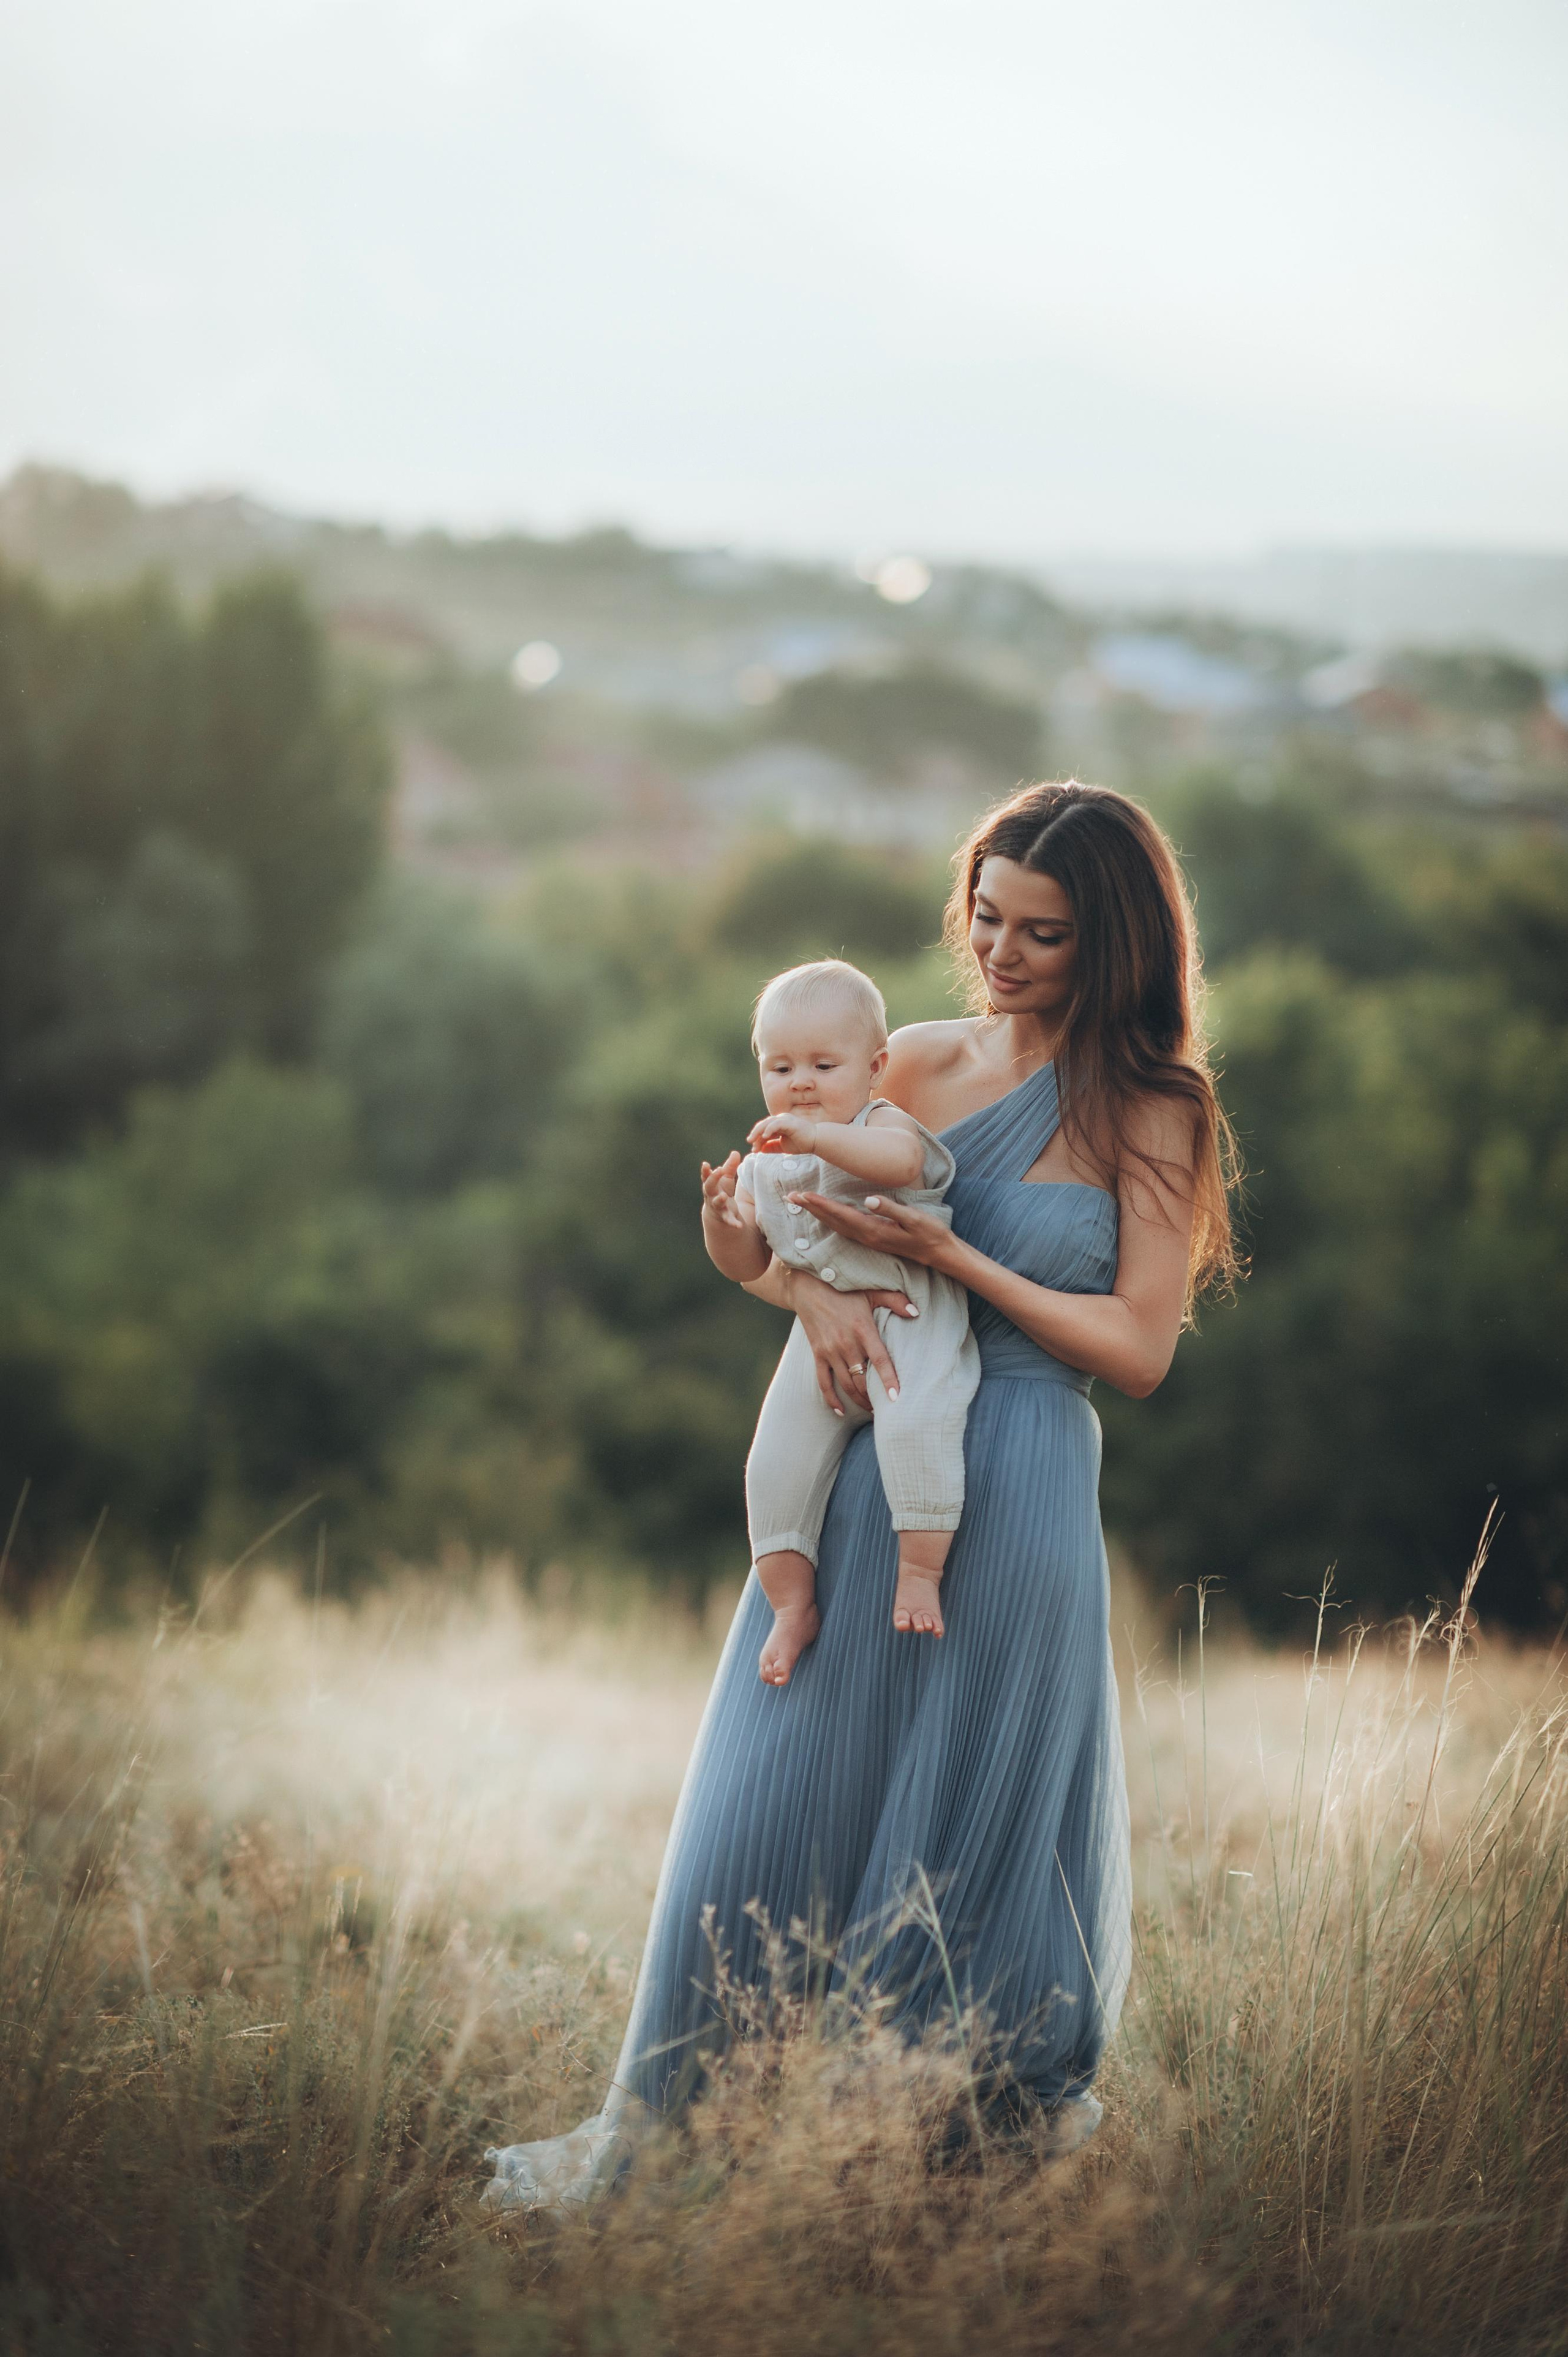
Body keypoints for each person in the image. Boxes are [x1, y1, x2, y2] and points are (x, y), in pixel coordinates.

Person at [483, 779, 1238, 2214]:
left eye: (1044, 932)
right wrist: (801, 1303)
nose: (999, 953)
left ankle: (922, 2159)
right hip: (857, 1462)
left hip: (1012, 1478)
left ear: (1118, 941)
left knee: (969, 1818)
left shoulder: (1153, 1106)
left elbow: (1135, 1349)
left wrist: (950, 1264)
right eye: (984, 916)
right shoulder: (910, 1061)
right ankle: (679, 2133)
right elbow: (818, 1253)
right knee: (764, 1790)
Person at [701, 957, 981, 1685]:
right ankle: (792, 1605)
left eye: (824, 1064)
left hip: (911, 1314)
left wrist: (818, 1138)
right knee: (774, 1462)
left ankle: (919, 1570)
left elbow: (897, 1163)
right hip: (816, 1334)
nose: (800, 1083)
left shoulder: (879, 1122)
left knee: (916, 1424)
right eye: (780, 1066)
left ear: (875, 1066)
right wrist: (723, 1220)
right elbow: (746, 1261)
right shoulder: (767, 1159)